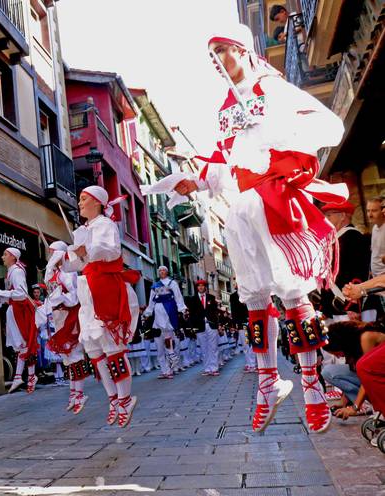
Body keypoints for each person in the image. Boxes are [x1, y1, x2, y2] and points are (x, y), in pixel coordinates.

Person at [144, 23, 346, 433]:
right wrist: (196, 177)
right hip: (241, 210)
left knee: (292, 293)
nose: (219, 61)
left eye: (223, 51)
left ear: (242, 50)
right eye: (213, 55)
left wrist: (280, 147)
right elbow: (224, 165)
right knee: (254, 298)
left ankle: (312, 386)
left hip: (272, 200)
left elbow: (328, 126)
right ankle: (268, 381)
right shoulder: (225, 109)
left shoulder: (274, 89)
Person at [61, 185, 140, 428]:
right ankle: (113, 398)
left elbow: (112, 251)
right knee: (95, 351)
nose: (80, 203)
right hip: (88, 292)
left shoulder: (105, 225)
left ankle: (125, 398)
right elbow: (77, 264)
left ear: (97, 202)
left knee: (112, 347)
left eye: (84, 199)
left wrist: (88, 250)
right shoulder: (83, 230)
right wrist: (66, 259)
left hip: (104, 288)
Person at [0, 247, 39, 394]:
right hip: (15, 310)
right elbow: (15, 294)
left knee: (24, 343)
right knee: (22, 344)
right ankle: (22, 376)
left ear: (13, 257)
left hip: (20, 311)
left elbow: (21, 294)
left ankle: (27, 376)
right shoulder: (12, 272)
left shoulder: (17, 271)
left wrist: (2, 293)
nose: (2, 257)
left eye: (5, 254)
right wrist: (1, 298)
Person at [43, 240, 89, 413]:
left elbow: (74, 297)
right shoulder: (53, 273)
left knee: (75, 354)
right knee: (68, 358)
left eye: (52, 252)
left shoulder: (69, 274)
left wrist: (61, 298)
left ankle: (79, 393)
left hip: (70, 316)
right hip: (58, 317)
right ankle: (73, 393)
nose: (50, 255)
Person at [323, 320, 385, 440]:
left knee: (363, 369)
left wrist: (354, 407)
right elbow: (358, 372)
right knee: (328, 371)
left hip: (378, 376)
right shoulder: (353, 346)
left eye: (335, 352)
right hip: (374, 375)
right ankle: (363, 403)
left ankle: (364, 405)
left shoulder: (366, 337)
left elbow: (368, 375)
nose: (337, 356)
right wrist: (343, 402)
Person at [319, 201, 370, 322]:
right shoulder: (334, 238)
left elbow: (359, 272)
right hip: (331, 304)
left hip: (345, 304)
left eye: (329, 215)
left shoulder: (354, 238)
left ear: (342, 216)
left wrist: (352, 305)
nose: (325, 219)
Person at [143, 266, 187, 379]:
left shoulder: (172, 283)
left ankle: (171, 368)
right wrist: (147, 312)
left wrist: (182, 309)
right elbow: (151, 301)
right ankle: (164, 370)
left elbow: (178, 297)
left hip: (169, 311)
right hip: (158, 313)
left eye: (163, 270)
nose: (162, 272)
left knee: (169, 343)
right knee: (159, 346)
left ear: (167, 272)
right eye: (160, 271)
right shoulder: (155, 285)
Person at [187, 280, 221, 376]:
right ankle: (207, 368)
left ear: (205, 287)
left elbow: (215, 313)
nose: (201, 287)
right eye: (199, 286)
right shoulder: (192, 300)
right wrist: (192, 327)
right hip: (199, 326)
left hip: (211, 325)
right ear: (197, 287)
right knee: (204, 347)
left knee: (213, 347)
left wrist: (218, 324)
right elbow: (191, 315)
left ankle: (214, 368)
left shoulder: (211, 298)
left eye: (203, 286)